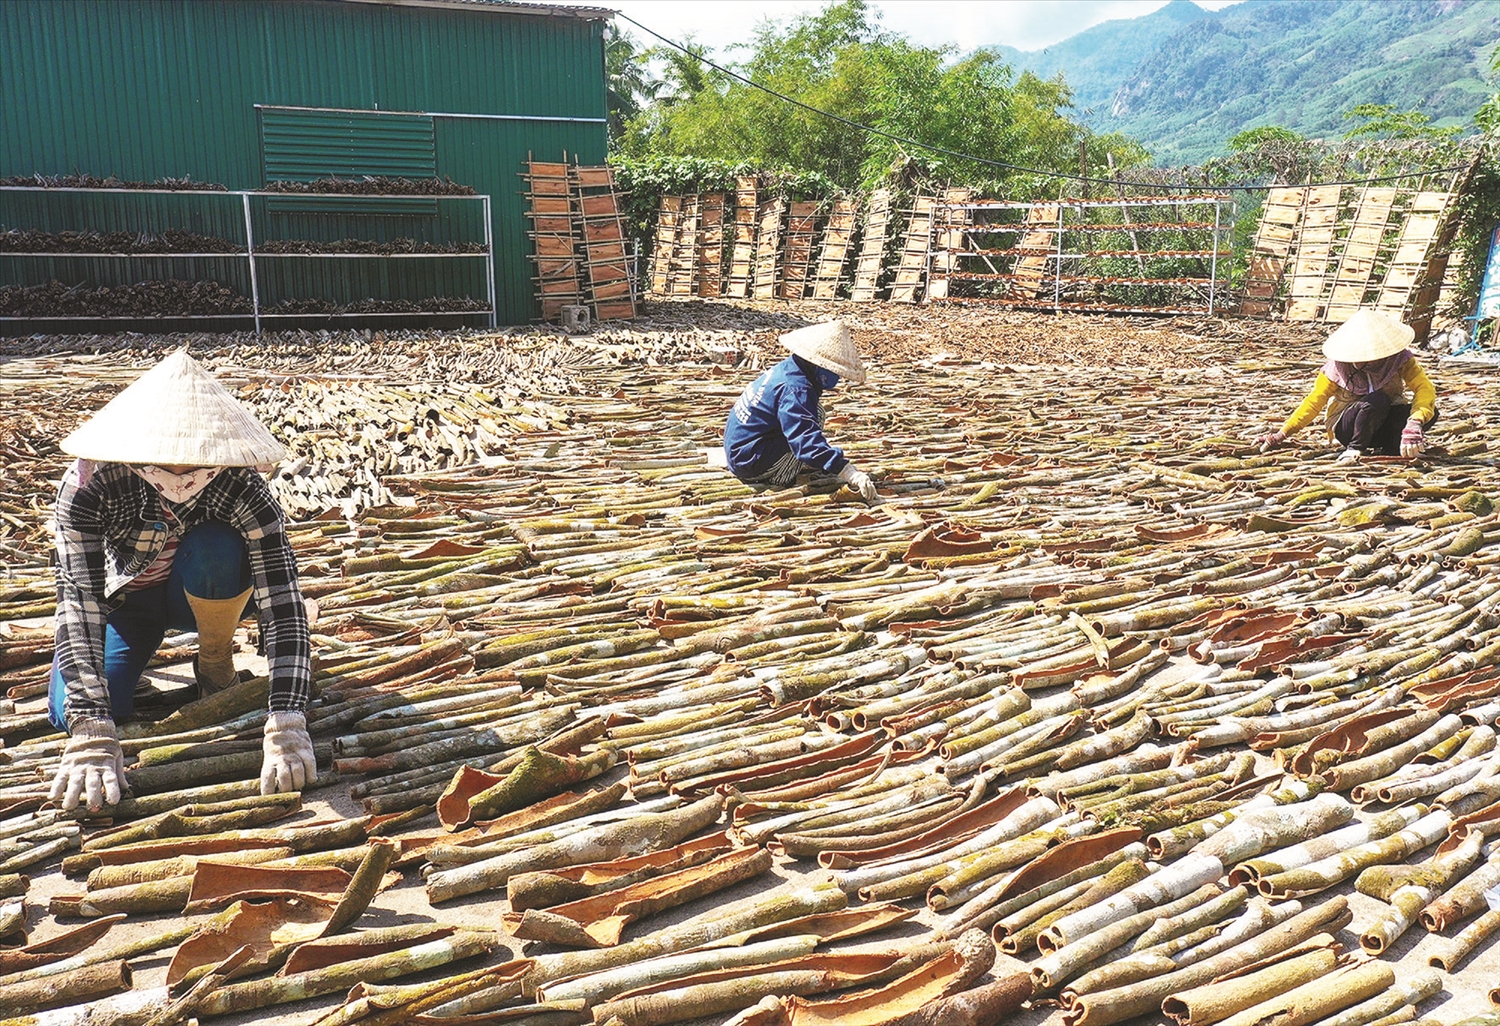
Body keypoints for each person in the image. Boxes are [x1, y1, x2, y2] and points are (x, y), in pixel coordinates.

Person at [48, 349, 316, 812]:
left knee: (216, 545)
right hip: (128, 599)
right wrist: (92, 729)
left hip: (207, 589)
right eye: (163, 463)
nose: (178, 476)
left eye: (191, 464)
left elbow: (282, 600)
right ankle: (127, 673)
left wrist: (289, 718)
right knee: (72, 709)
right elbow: (80, 600)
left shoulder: (240, 487)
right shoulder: (90, 486)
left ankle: (214, 661)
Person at [723, 320, 878, 502]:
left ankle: (787, 463)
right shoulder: (796, 389)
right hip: (749, 460)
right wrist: (847, 471)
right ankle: (779, 476)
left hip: (741, 446)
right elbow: (805, 440)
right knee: (809, 426)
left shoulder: (790, 367)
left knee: (816, 412)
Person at [1258, 309, 1436, 463]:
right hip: (1349, 427)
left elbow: (1423, 388)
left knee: (1431, 412)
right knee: (1377, 400)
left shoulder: (1400, 360)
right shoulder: (1337, 368)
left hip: (1382, 423)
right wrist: (1281, 434)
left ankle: (1394, 447)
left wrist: (1415, 421)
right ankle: (1355, 449)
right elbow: (1313, 402)